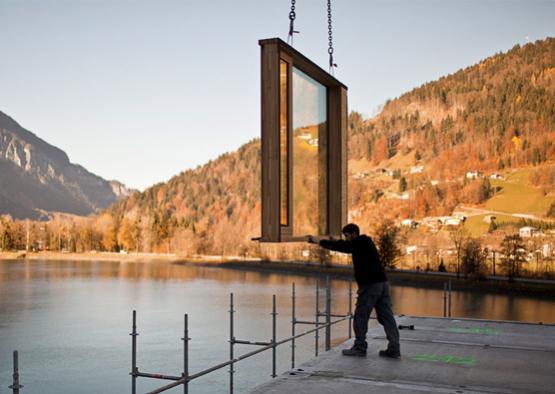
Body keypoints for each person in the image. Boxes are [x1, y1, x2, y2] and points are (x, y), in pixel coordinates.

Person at [307, 223, 401, 358]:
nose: (345, 239)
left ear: (353, 234)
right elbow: (343, 244)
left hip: (370, 286)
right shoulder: (365, 242)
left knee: (360, 316)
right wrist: (333, 240)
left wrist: (317, 241)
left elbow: (341, 246)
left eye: (346, 236)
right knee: (386, 317)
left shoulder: (358, 243)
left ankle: (360, 347)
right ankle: (394, 348)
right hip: (383, 283)